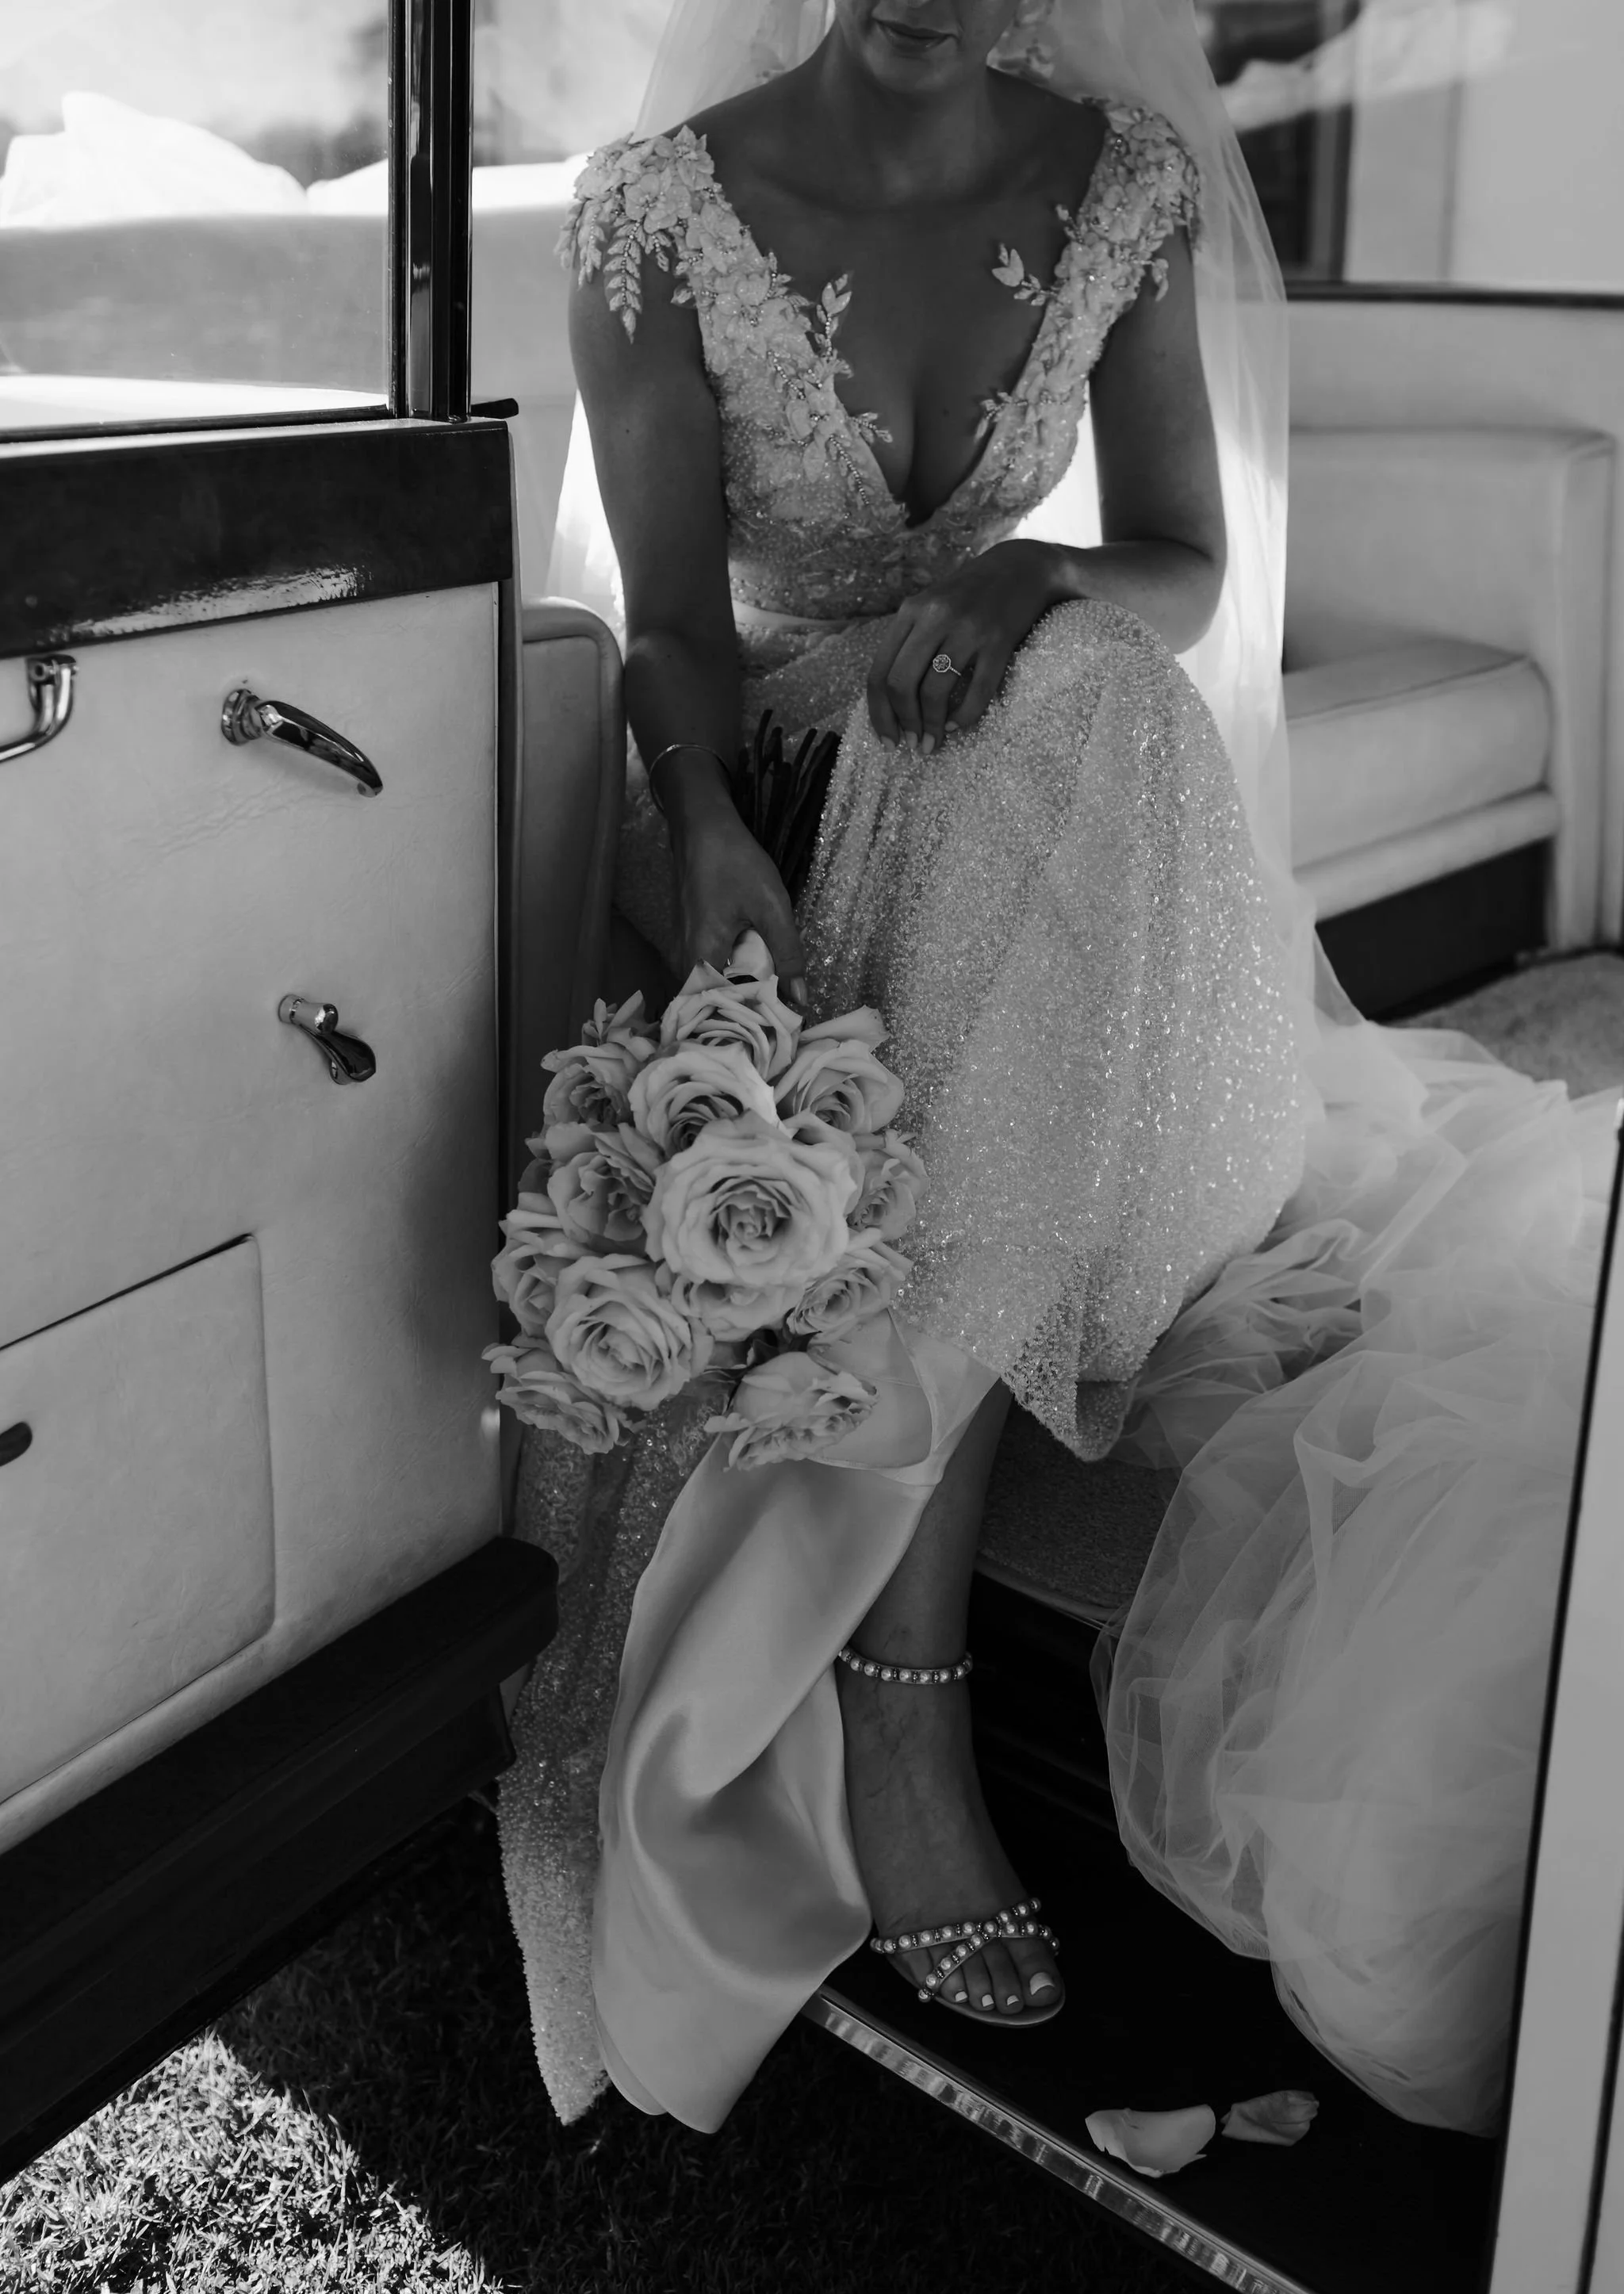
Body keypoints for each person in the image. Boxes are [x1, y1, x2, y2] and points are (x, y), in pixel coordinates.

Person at [498, 0, 1614, 2141]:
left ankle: (894, 1669)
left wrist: (1041, 572)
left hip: (1037, 763)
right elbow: (666, 624)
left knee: (1089, 680)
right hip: (774, 791)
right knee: (1071, 720)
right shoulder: (662, 214)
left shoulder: (1123, 187)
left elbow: (1189, 563)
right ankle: (899, 1703)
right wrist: (706, 812)